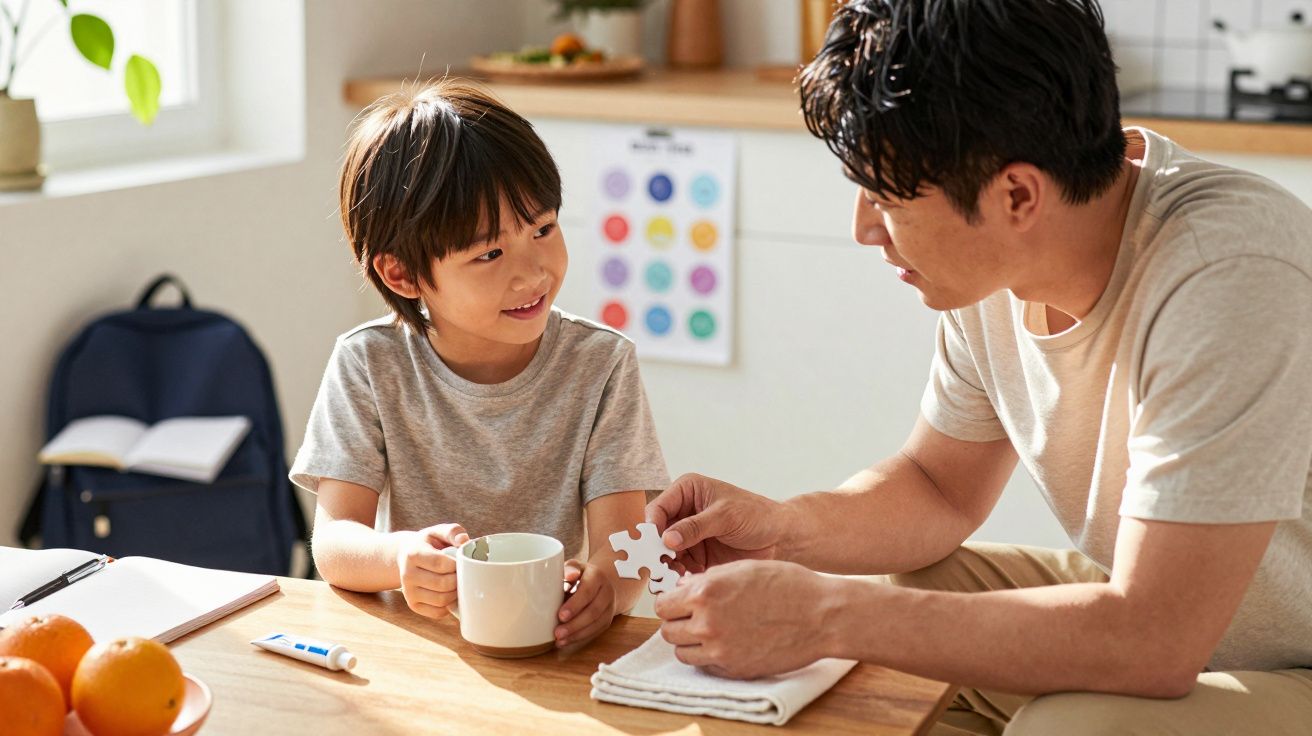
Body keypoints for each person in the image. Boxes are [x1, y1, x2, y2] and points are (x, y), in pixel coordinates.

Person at [645, 1, 1312, 733]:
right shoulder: (1003, 260)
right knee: (911, 580)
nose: (863, 229)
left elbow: (1155, 639)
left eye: (886, 198)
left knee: (1071, 727)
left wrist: (825, 613)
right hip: (1168, 612)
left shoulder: (1229, 275)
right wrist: (784, 528)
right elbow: (939, 487)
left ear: (1017, 194)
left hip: (1276, 653)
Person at [290, 79, 669, 649]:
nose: (533, 273)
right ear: (402, 275)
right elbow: (335, 543)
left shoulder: (601, 364)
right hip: (420, 647)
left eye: (543, 229)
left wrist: (608, 591)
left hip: (547, 644)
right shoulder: (368, 363)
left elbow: (628, 546)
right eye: (489, 253)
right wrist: (399, 556)